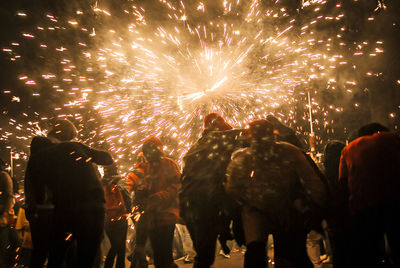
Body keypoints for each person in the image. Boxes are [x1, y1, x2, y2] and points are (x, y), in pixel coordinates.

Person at [225, 119, 326, 268]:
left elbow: (232, 189)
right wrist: (317, 204)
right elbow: (312, 181)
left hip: (281, 211)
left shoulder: (245, 157)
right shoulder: (287, 151)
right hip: (264, 212)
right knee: (267, 253)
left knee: (278, 254)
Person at [25, 119, 114, 268]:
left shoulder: (37, 159)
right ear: (68, 136)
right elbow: (107, 158)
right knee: (87, 260)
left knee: (56, 257)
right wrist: (85, 154)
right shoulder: (74, 146)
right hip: (95, 209)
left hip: (66, 211)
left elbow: (39, 195)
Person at [339, 123, 400, 267]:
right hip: (395, 200)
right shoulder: (394, 139)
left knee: (369, 253)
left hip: (363, 206)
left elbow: (342, 183)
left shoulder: (349, 149)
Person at [132, 136, 181, 268]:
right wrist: (141, 192)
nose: (149, 153)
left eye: (151, 150)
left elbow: (176, 185)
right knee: (158, 254)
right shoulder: (147, 167)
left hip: (166, 215)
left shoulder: (168, 164)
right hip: (152, 217)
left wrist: (160, 197)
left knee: (164, 252)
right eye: (146, 151)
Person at [102, 163, 131, 268]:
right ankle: (119, 266)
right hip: (120, 217)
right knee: (120, 246)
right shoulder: (120, 181)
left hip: (107, 218)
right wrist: (130, 211)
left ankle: (108, 265)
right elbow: (127, 197)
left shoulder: (100, 183)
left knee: (114, 244)